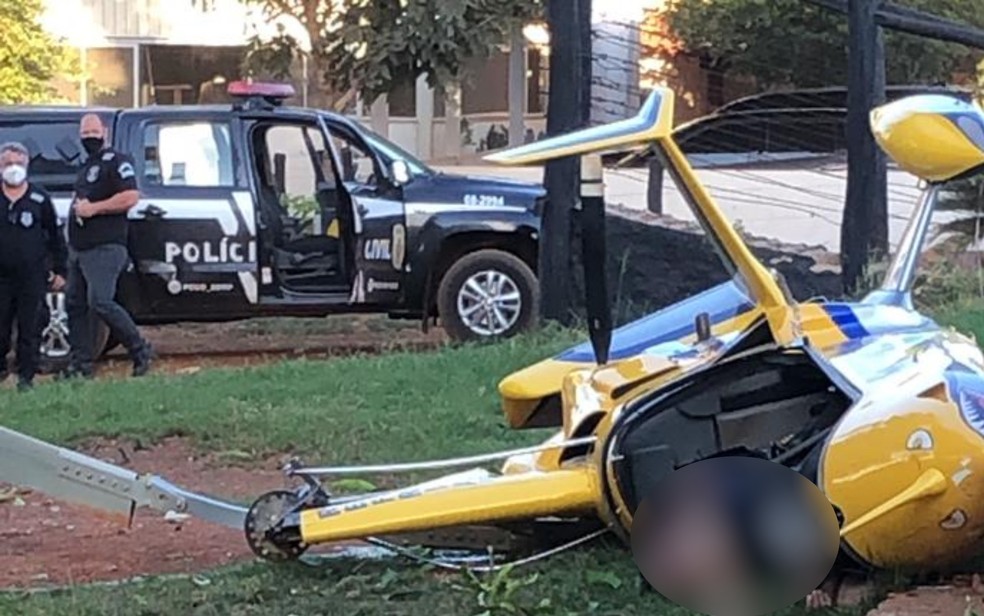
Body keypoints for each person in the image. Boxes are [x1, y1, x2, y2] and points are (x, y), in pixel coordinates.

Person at [61, 113, 153, 379]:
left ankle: (140, 349)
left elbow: (131, 196)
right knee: (74, 304)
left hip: (105, 247)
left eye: (93, 132)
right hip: (79, 249)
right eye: (85, 133)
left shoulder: (117, 162)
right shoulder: (86, 164)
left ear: (105, 133)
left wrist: (94, 209)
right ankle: (81, 365)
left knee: (101, 301)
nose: (89, 137)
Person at [0, 142, 67, 390]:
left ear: (27, 165)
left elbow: (55, 235)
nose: (13, 169)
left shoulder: (39, 198)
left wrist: (61, 269)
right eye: (7, 164)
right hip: (1, 277)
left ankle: (26, 377)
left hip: (32, 276)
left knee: (30, 327)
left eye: (18, 163)